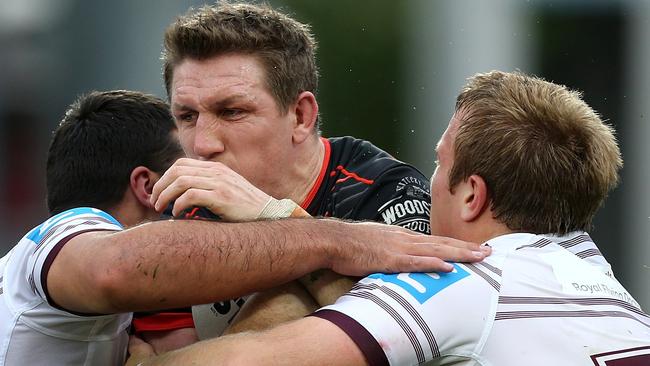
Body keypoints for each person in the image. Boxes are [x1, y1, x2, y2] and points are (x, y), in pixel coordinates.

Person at [129, 71, 650, 365]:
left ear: (472, 196)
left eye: (440, 163)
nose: (430, 179)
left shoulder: (461, 283)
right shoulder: (601, 280)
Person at [0, 90, 484, 366]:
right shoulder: (68, 232)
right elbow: (118, 268)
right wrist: (332, 238)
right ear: (147, 186)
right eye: (192, 165)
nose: (211, 159)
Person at [134, 1, 461, 342]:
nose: (202, 144)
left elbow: (415, 341)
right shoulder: (179, 208)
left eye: (231, 112)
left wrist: (270, 215)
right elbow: (169, 355)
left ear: (301, 117)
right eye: (187, 117)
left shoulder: (381, 191)